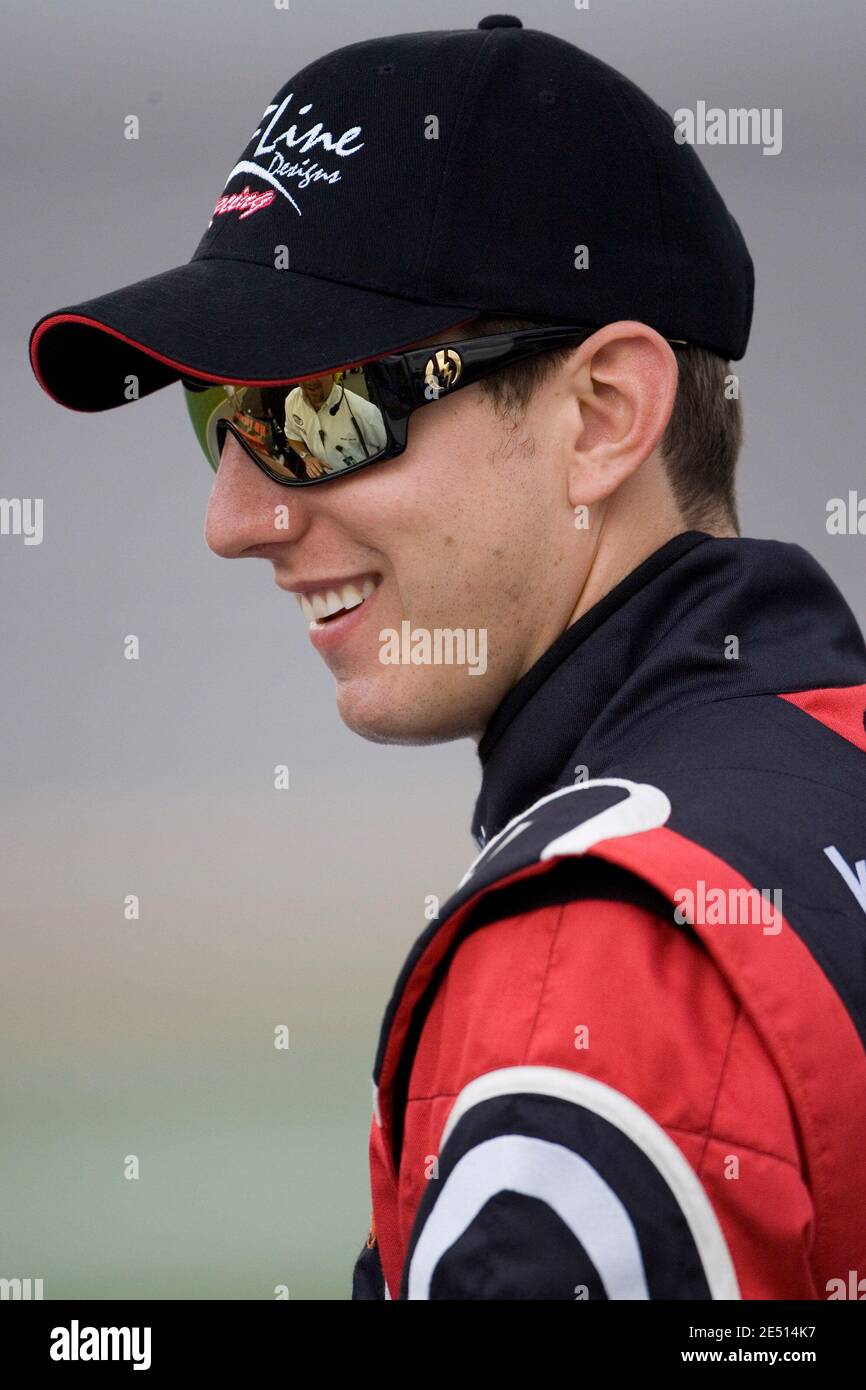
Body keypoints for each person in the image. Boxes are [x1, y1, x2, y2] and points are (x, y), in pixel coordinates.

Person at [27, 16, 866, 1301]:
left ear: (602, 417)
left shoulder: (583, 972)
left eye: (318, 411)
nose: (234, 521)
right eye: (221, 422)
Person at [283, 372, 387, 477]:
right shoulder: (292, 401)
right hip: (327, 481)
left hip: (363, 479)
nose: (310, 381)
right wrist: (306, 457)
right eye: (304, 373)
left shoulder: (364, 411)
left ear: (334, 374)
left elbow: (389, 450)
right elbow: (292, 436)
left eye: (319, 372)